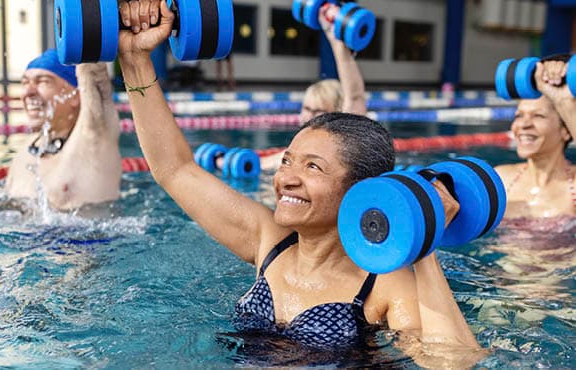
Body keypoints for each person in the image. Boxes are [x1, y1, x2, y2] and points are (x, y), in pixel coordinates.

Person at [116, 0, 482, 363]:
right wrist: (134, 61)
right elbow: (174, 170)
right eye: (288, 161)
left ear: (360, 191)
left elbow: (449, 362)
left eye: (312, 168)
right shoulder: (269, 241)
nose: (286, 178)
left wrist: (425, 243)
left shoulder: (385, 284)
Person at [5, 49, 122, 210]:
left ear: (76, 94)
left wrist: (84, 31)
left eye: (43, 82)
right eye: (25, 82)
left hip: (89, 235)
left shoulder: (94, 138)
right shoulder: (27, 149)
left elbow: (94, 75)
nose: (29, 92)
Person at [261, 3, 367, 170]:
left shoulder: (344, 149)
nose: (308, 117)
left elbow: (355, 96)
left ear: (338, 115)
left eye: (318, 111)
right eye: (306, 108)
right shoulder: (292, 154)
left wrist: (334, 38)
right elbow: (256, 165)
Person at [495, 58, 575, 219]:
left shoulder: (573, 187)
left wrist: (562, 99)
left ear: (566, 131)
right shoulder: (501, 180)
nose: (523, 125)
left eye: (538, 116)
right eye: (519, 116)